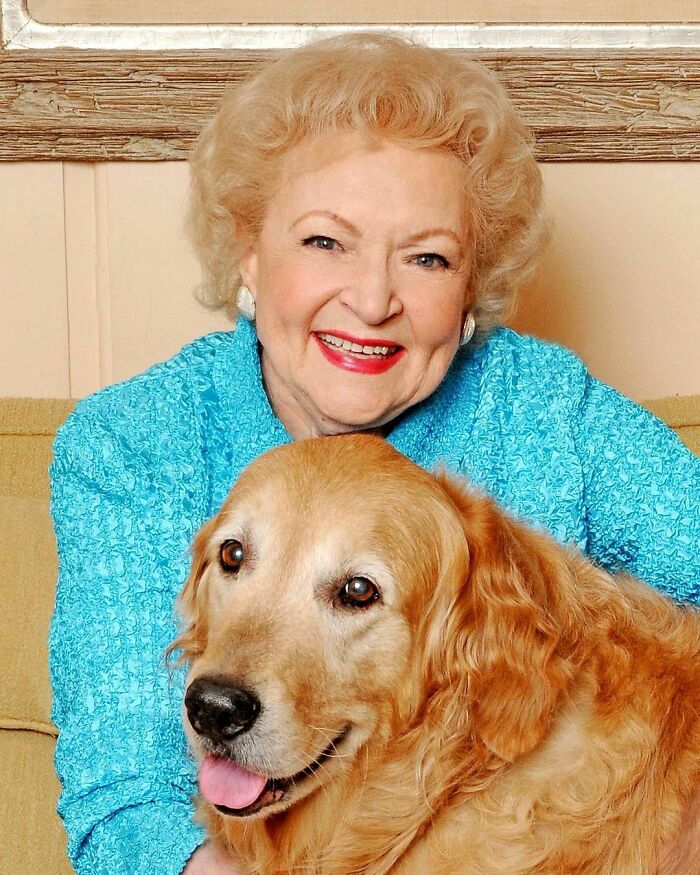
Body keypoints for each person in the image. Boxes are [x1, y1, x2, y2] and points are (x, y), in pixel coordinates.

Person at [49, 31, 700, 875]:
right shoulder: (136, 440)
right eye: (326, 241)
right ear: (249, 251)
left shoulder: (542, 404)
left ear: (469, 289)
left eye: (427, 257)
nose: (371, 299)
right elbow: (124, 803)